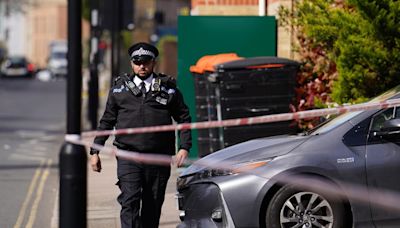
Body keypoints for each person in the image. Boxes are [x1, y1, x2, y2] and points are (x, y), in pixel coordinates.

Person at [89, 42, 192, 228]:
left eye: (146, 61)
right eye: (137, 62)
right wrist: (95, 150)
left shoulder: (168, 89)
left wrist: (184, 147)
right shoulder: (119, 90)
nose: (142, 66)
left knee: (152, 205)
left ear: (154, 62)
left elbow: (184, 118)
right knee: (130, 201)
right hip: (128, 155)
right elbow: (106, 121)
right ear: (131, 63)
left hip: (158, 156)